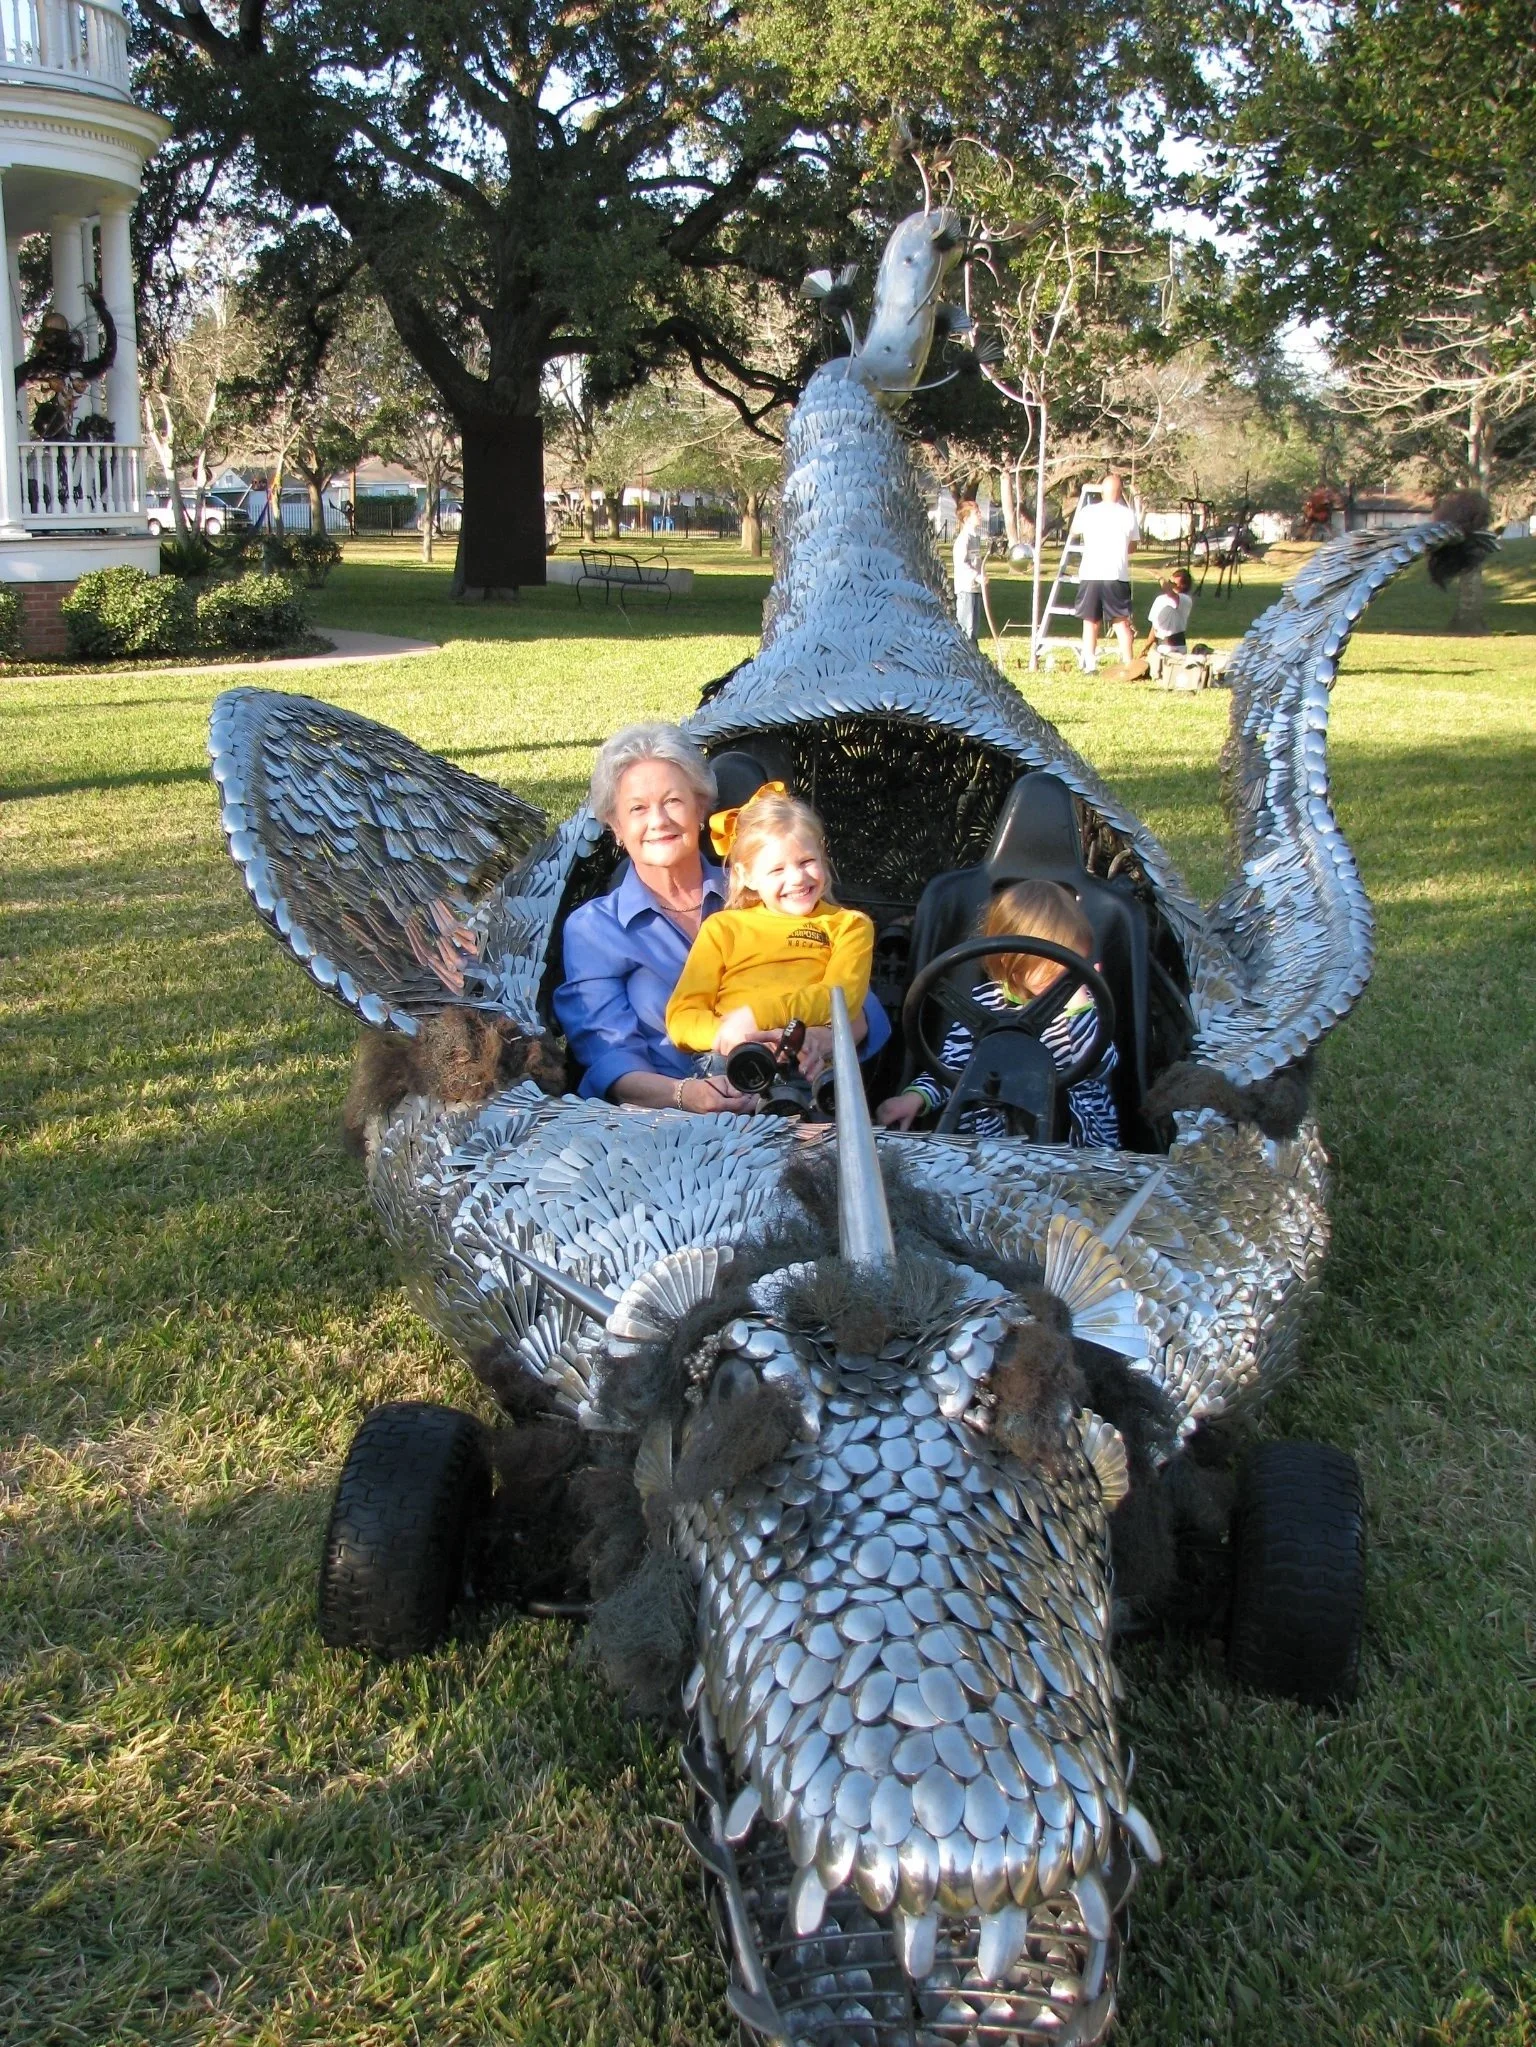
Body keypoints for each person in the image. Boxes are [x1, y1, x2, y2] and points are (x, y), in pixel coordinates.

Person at [553, 726, 886, 1111]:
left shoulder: (766, 883)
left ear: (700, 808)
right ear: (616, 827)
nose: (658, 820)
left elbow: (854, 999)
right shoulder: (594, 930)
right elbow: (609, 1060)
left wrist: (821, 1036)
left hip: (795, 1095)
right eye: (638, 808)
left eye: (673, 800)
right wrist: (688, 1095)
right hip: (663, 1123)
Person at [877, 879, 1119, 1146]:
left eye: (1074, 962)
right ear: (1012, 961)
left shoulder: (1082, 1005)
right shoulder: (981, 1005)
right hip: (992, 1144)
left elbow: (1103, 1065)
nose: (1067, 976)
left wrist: (1081, 1009)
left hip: (1077, 1143)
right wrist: (916, 1098)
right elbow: (953, 1068)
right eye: (1053, 967)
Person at [666, 788, 874, 1076]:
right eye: (777, 870)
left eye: (806, 862)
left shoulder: (848, 926)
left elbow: (840, 997)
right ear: (747, 875)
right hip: (733, 1058)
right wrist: (734, 1036)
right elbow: (682, 1018)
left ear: (822, 856)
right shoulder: (724, 928)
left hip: (809, 1058)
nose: (797, 878)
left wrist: (758, 1017)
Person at [1073, 470, 1140, 672]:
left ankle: (1090, 664)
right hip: (1116, 574)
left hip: (1091, 573)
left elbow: (1075, 530)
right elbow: (1133, 546)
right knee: (1121, 621)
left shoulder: (1088, 512)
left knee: (1090, 620)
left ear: (1102, 492)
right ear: (1120, 493)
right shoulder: (1128, 515)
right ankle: (1129, 663)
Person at [1141, 568, 1194, 661]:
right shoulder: (1160, 599)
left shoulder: (1185, 599)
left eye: (1174, 582)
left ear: (1183, 585)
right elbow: (1155, 627)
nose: (1170, 583)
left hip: (1177, 646)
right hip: (1162, 645)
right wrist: (1146, 647)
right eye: (1170, 581)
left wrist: (1160, 578)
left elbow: (1170, 593)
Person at [952, 498, 986, 643]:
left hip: (975, 588)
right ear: (966, 518)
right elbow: (961, 563)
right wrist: (976, 576)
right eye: (976, 513)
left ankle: (973, 656)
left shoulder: (975, 538)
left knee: (975, 627)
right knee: (967, 628)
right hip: (966, 589)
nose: (980, 515)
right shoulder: (963, 539)